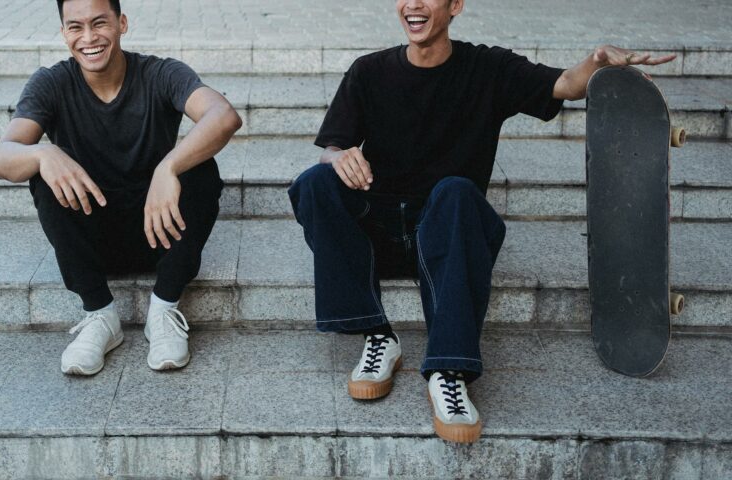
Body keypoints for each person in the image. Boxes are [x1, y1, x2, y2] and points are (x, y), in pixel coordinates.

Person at [288, 0, 675, 443]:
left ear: (455, 5)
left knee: (455, 190)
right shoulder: (368, 71)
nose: (413, 4)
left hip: (450, 236)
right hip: (379, 235)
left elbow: (564, 84)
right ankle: (377, 335)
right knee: (316, 181)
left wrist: (598, 62)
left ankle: (448, 370)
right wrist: (341, 158)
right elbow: (331, 147)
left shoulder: (487, 67)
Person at [0, 0, 242, 375]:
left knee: (201, 168)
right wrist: (43, 153)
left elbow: (224, 115)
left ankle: (164, 310)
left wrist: (168, 167)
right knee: (41, 172)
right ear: (64, 33)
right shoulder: (52, 82)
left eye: (99, 24)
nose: (89, 38)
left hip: (161, 231)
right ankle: (100, 316)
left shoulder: (160, 73)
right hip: (94, 238)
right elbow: (2, 159)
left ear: (121, 23)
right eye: (75, 27)